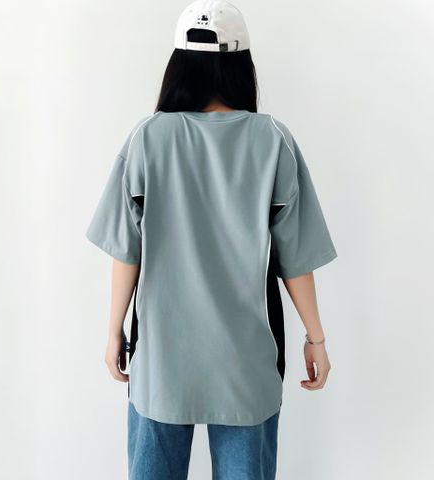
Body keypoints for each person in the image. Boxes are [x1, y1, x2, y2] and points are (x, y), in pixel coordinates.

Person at [85, 1, 338, 478]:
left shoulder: (147, 138)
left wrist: (114, 329)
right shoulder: (273, 140)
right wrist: (316, 339)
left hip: (161, 359)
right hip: (245, 362)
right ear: (242, 65)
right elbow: (296, 258)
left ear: (178, 64)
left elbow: (127, 251)